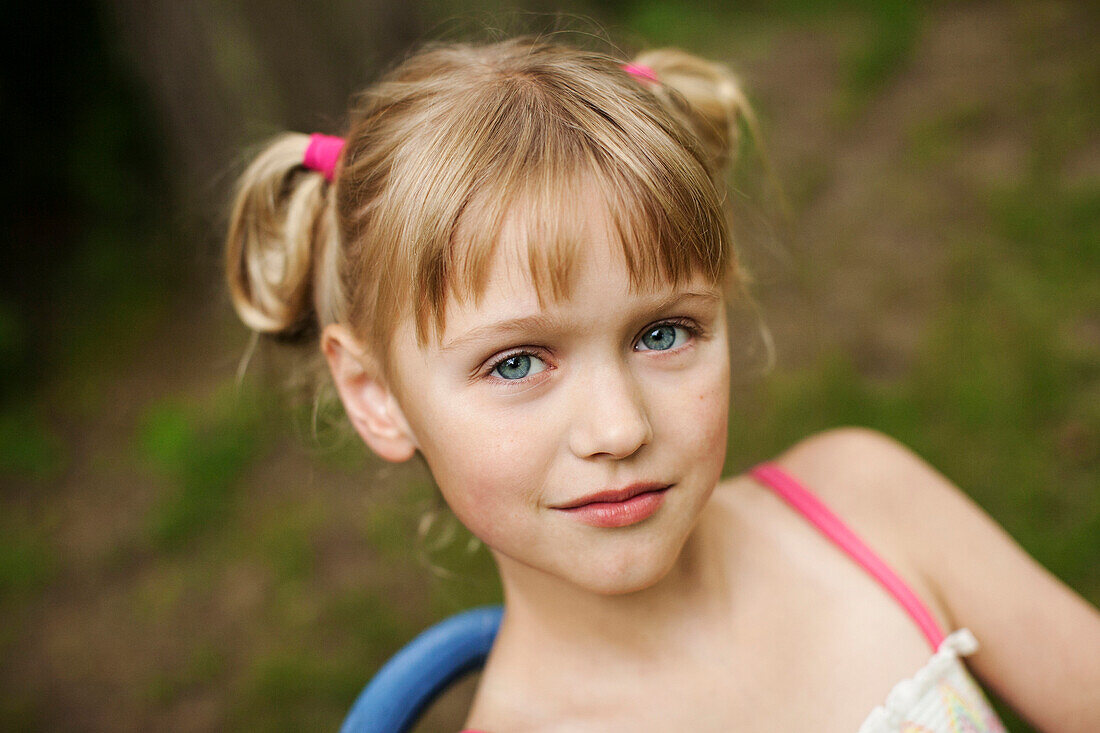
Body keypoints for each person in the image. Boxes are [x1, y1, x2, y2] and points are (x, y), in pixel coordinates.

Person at [224, 36, 1100, 732]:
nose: (618, 427)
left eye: (662, 332)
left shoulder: (866, 506)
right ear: (376, 392)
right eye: (517, 361)